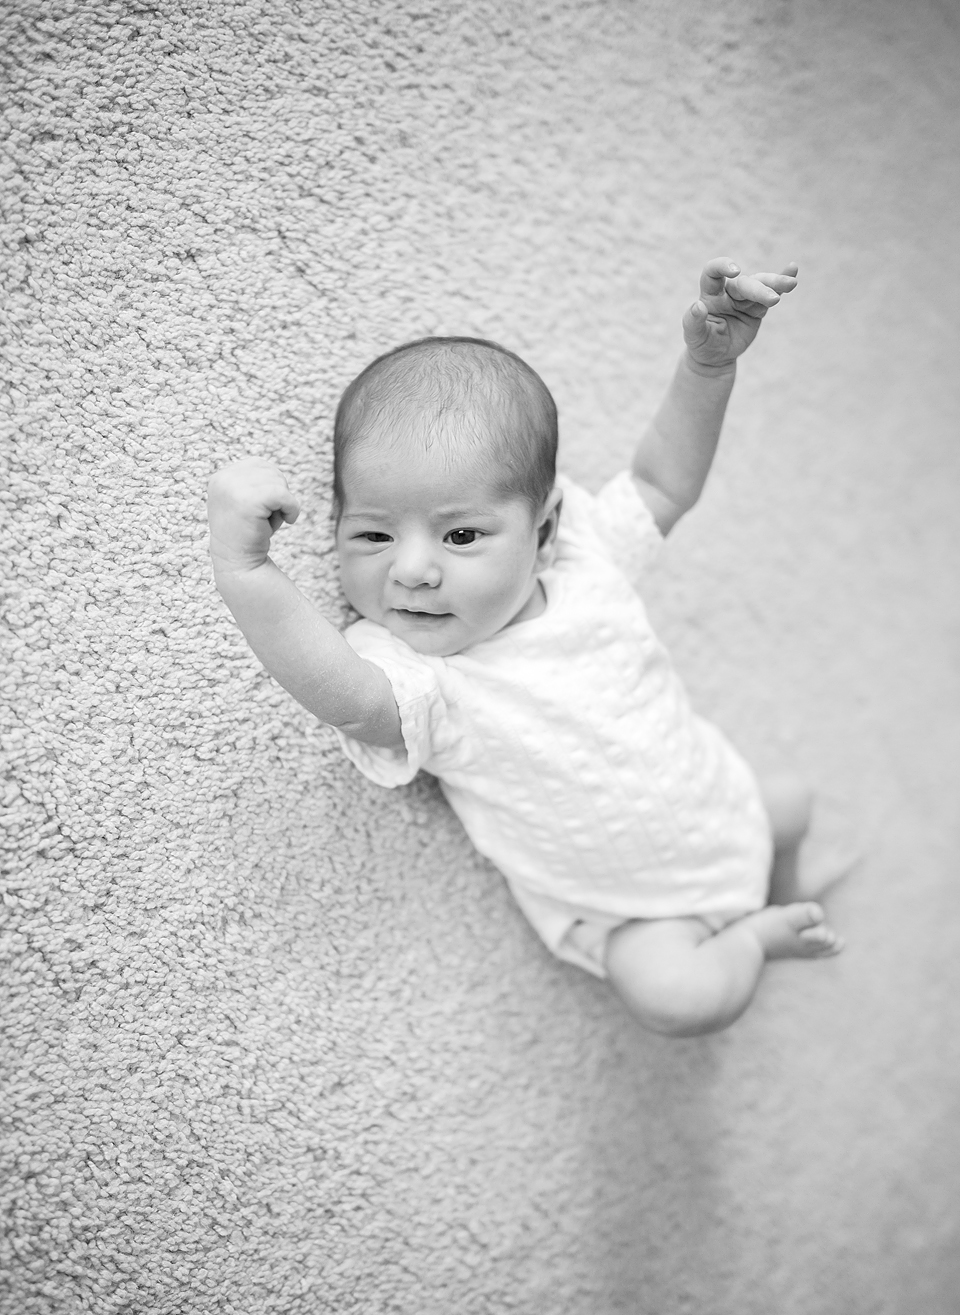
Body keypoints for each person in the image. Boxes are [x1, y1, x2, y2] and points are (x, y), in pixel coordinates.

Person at [207, 257, 847, 1038]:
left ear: (542, 532)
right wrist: (247, 572)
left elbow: (664, 482)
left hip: (723, 802)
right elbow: (345, 694)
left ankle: (782, 883)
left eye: (463, 534)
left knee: (792, 801)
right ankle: (756, 936)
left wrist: (706, 365)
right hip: (638, 912)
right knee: (682, 999)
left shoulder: (586, 556)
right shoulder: (422, 675)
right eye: (371, 534)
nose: (410, 569)